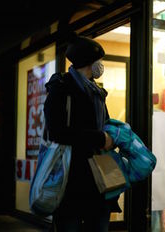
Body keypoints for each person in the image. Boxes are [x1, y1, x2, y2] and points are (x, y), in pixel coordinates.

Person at [43, 34, 117, 231]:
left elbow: (105, 123)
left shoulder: (97, 92)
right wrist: (100, 138)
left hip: (98, 180)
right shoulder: (61, 88)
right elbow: (57, 132)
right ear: (88, 62)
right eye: (98, 60)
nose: (100, 65)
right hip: (69, 180)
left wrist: (115, 136)